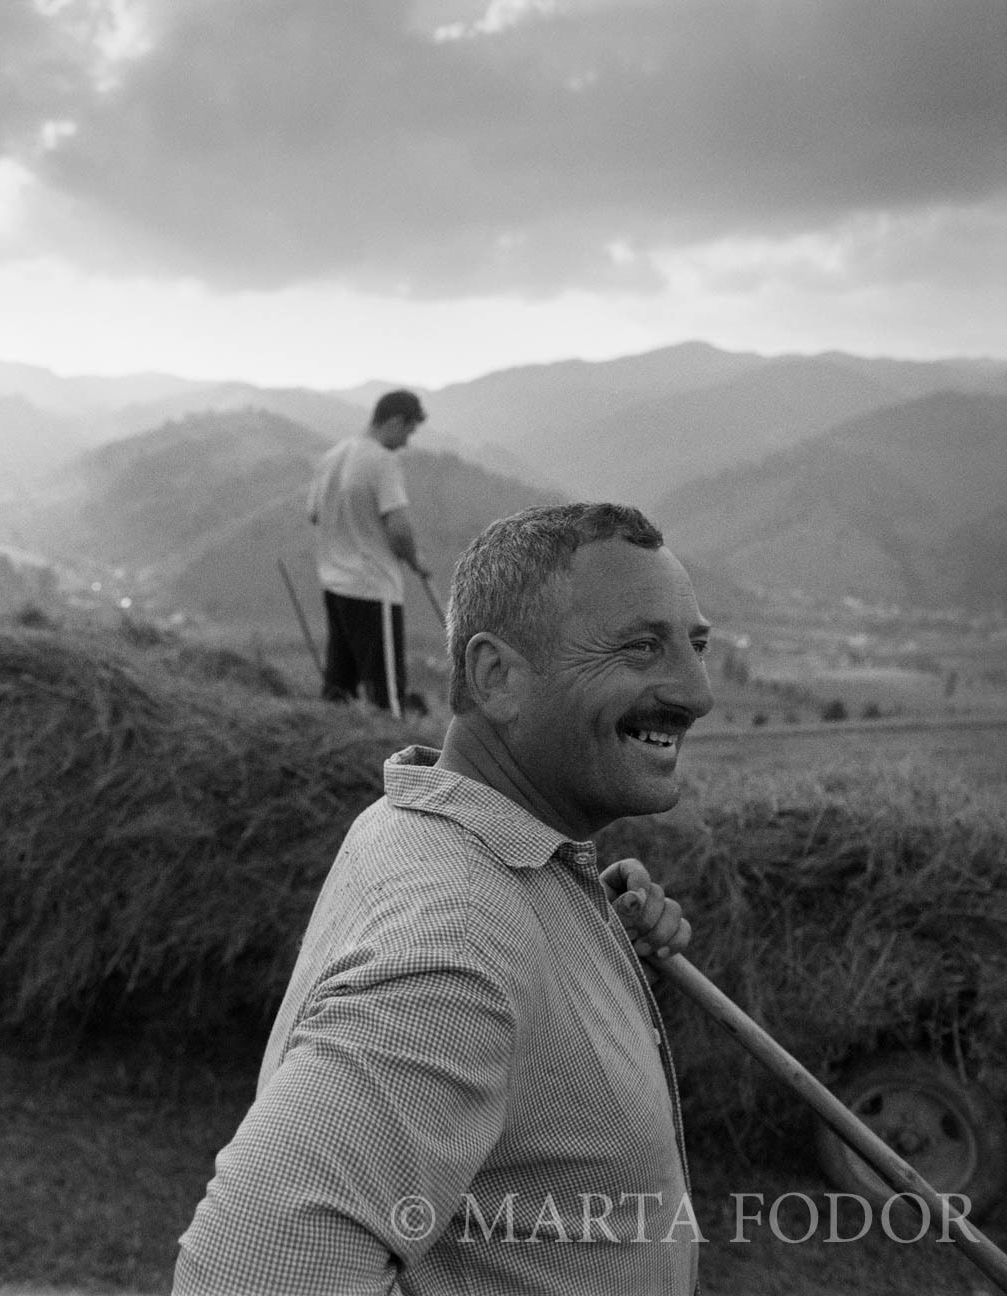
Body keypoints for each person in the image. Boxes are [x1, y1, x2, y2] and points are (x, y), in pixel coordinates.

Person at [175, 502, 714, 1295]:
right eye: (641, 647)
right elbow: (248, 1275)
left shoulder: (428, 825)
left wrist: (580, 931)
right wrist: (499, 951)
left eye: (695, 645)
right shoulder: (461, 946)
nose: (697, 693)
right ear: (498, 677)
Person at [307, 389, 431, 717]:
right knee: (386, 694)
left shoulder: (332, 457)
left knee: (338, 685)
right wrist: (416, 560)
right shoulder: (382, 461)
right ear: (393, 421)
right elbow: (399, 528)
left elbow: (314, 515)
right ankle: (387, 758)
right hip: (374, 588)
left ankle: (335, 750)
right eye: (408, 430)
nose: (406, 442)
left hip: (335, 583)